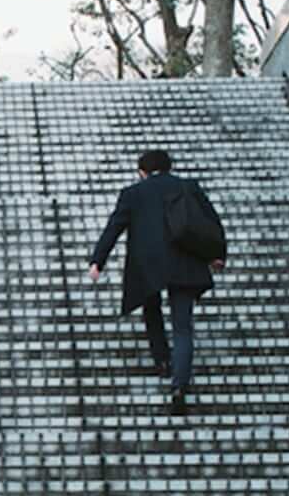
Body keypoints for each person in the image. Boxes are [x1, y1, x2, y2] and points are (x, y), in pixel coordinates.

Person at [87, 148, 227, 415]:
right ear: (169, 167)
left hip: (148, 265)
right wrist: (217, 255)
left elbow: (114, 226)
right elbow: (210, 221)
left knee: (151, 307)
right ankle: (179, 386)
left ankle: (162, 360)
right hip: (186, 263)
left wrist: (98, 261)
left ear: (142, 172)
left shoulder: (134, 193)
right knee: (183, 328)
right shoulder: (189, 187)